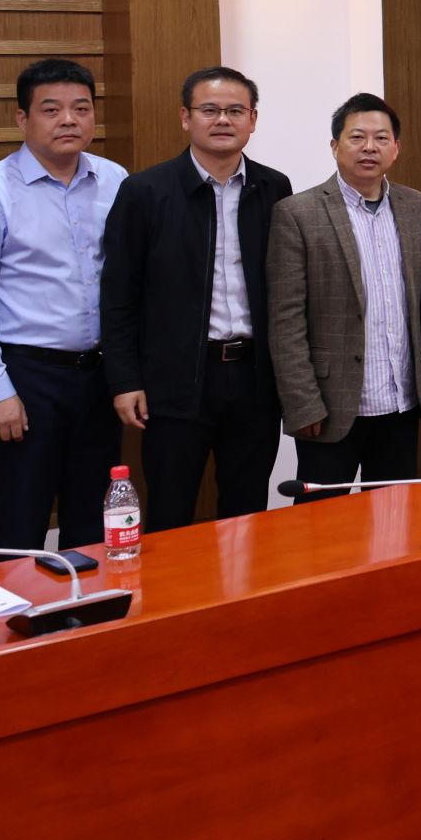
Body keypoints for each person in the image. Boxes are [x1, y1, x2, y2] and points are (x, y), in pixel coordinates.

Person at [0, 58, 128, 560]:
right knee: (21, 524)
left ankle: (90, 605)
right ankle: (20, 611)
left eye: (81, 108)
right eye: (51, 109)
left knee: (93, 524)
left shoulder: (115, 181)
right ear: (22, 118)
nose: (68, 120)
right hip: (26, 377)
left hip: (98, 376)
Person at [101, 67, 293, 530]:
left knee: (248, 511)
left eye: (235, 110)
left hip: (253, 378)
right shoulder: (145, 191)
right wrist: (125, 379)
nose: (222, 120)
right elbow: (118, 294)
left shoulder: (274, 188)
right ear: (186, 118)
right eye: (209, 110)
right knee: (170, 512)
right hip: (175, 381)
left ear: (252, 119)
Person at [268, 94, 421, 499]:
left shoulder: (415, 206)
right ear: (334, 146)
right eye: (357, 137)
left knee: (396, 517)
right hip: (330, 407)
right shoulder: (298, 213)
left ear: (396, 148)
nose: (369, 147)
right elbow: (285, 319)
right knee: (321, 524)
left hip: (401, 400)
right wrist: (303, 403)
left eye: (381, 138)